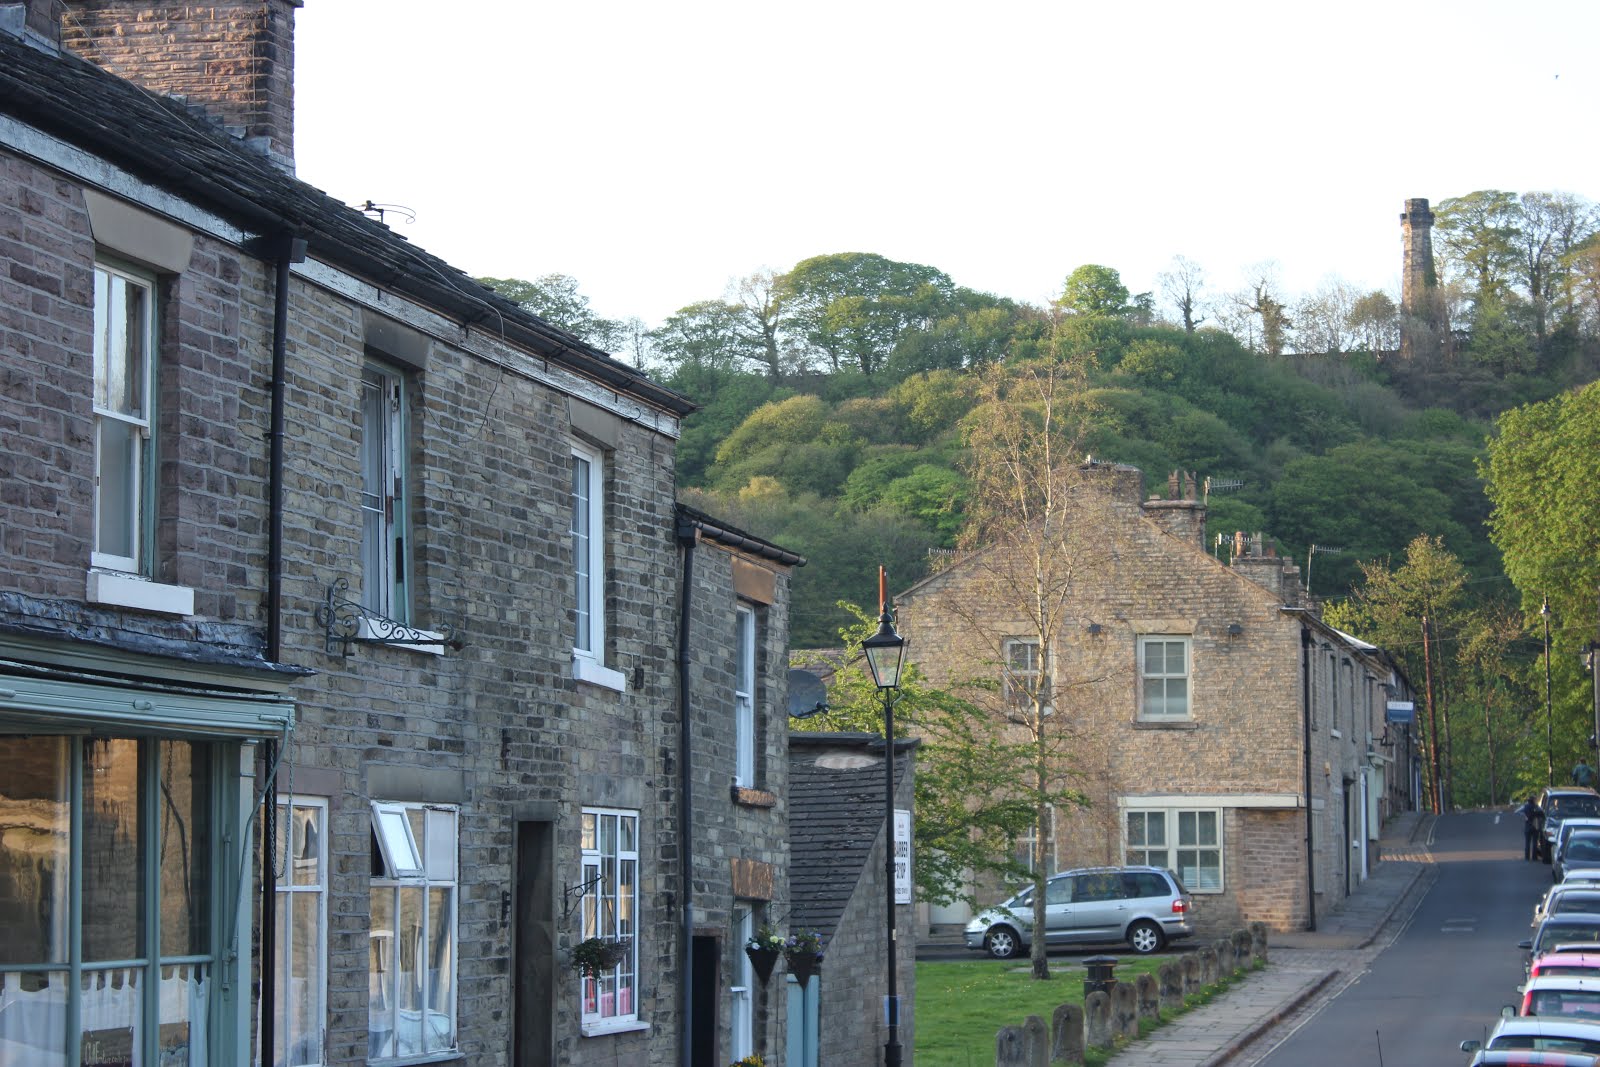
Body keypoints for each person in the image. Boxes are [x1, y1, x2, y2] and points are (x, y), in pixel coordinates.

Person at [1522, 795, 1545, 861]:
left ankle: (1527, 857)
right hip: (1535, 826)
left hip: (1528, 826)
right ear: (1533, 801)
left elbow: (1526, 814)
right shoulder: (1536, 807)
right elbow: (1541, 814)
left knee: (1527, 843)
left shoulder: (1526, 807)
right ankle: (1534, 857)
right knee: (1535, 842)